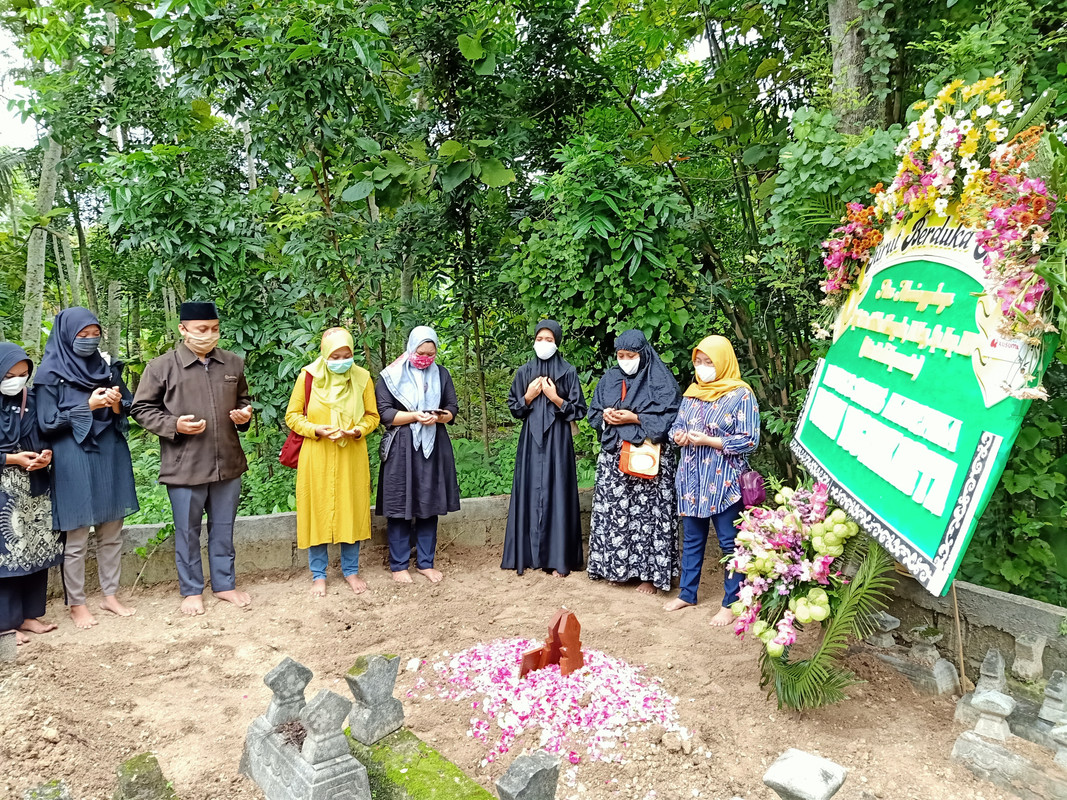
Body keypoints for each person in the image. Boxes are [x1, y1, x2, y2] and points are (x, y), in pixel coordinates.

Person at [131, 301, 254, 616]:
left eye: (214, 329)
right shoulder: (161, 367)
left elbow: (243, 400)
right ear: (183, 329)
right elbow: (141, 408)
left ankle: (225, 585)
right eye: (202, 329)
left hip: (228, 462)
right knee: (187, 532)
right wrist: (174, 425)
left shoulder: (233, 363)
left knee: (223, 528)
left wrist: (244, 415)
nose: (209, 335)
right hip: (184, 465)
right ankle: (191, 591)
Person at [36, 307, 139, 629]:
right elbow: (46, 422)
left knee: (112, 528)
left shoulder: (106, 367)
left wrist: (115, 402)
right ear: (67, 335)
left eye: (95, 334)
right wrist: (87, 406)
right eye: (83, 335)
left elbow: (128, 407)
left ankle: (110, 595)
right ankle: (77, 604)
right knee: (77, 533)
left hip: (110, 450)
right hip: (72, 454)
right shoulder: (49, 373)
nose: (90, 340)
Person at [664, 335, 760, 626]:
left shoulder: (741, 395)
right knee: (692, 539)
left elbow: (750, 440)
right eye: (699, 361)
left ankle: (731, 602)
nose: (703, 367)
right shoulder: (692, 393)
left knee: (730, 543)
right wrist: (678, 436)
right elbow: (676, 426)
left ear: (723, 361)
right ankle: (687, 593)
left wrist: (710, 440)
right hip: (691, 479)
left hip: (724, 481)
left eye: (709, 362)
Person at [285, 328, 380, 597]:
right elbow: (292, 416)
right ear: (325, 354)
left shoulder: (362, 378)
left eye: (346, 355)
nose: (341, 361)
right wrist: (315, 429)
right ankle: (318, 575)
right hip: (317, 453)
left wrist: (357, 431)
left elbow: (372, 416)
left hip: (351, 454)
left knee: (351, 510)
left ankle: (351, 571)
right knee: (317, 512)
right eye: (335, 356)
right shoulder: (308, 376)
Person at [587, 329, 681, 595]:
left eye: (631, 355)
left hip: (648, 459)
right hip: (614, 461)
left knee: (648, 517)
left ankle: (650, 576)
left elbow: (672, 418)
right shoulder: (609, 379)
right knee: (616, 515)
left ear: (643, 353)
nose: (625, 360)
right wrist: (605, 416)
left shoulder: (661, 381)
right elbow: (593, 413)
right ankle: (617, 569)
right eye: (621, 355)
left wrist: (636, 418)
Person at [501, 320, 587, 577]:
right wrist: (528, 396)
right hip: (530, 442)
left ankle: (558, 560)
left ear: (557, 342)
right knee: (529, 491)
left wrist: (555, 398)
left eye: (549, 339)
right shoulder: (524, 372)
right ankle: (527, 556)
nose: (544, 344)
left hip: (558, 440)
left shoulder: (568, 371)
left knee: (557, 492)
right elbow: (514, 408)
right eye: (540, 339)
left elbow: (579, 409)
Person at [375, 326, 460, 584]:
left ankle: (426, 563)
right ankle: (399, 565)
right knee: (399, 505)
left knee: (429, 505)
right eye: (420, 353)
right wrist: (415, 416)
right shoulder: (390, 376)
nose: (425, 358)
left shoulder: (441, 374)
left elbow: (452, 408)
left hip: (433, 446)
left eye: (430, 354)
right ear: (411, 348)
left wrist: (440, 416)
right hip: (401, 447)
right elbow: (385, 414)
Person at [0, 344, 59, 646]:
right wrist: (12, 459)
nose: (17, 381)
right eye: (9, 376)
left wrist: (45, 455)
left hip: (35, 487)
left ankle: (29, 615)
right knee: (8, 554)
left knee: (36, 549)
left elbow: (45, 435)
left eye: (23, 375)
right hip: (4, 492)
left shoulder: (31, 400)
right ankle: (5, 624)